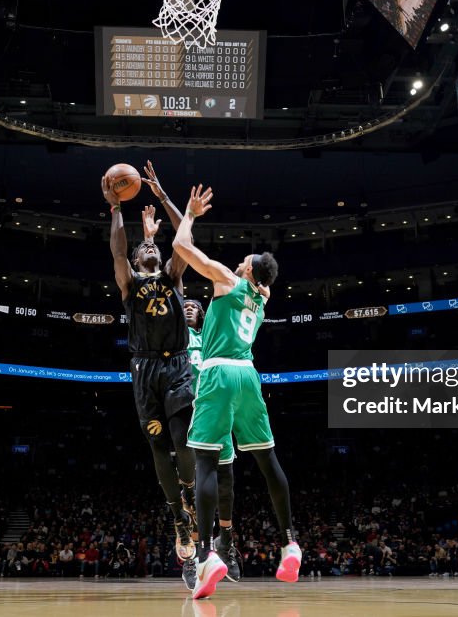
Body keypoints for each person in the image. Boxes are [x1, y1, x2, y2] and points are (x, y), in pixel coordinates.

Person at [172, 184, 300, 599]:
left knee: (206, 465)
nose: (241, 259)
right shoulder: (262, 297)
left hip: (219, 373)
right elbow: (266, 276)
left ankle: (208, 554)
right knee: (267, 461)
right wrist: (261, 269)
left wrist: (189, 214)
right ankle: (289, 542)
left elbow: (181, 245)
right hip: (249, 375)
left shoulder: (228, 280)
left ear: (245, 270)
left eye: (246, 259)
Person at [101, 161, 198, 589]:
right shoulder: (129, 284)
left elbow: (184, 240)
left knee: (184, 439)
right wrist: (116, 207)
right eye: (146, 251)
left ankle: (191, 498)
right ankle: (178, 519)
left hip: (177, 365)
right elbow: (119, 252)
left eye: (154, 249)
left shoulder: (174, 277)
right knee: (160, 448)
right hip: (144, 370)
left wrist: (161, 195)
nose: (151, 251)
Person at [185, 298, 242, 583]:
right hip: (186, 414)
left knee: (226, 480)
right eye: (183, 305)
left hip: (216, 408)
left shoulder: (211, 337)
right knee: (191, 488)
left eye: (193, 305)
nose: (187, 307)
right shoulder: (173, 339)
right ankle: (195, 554)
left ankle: (226, 542)